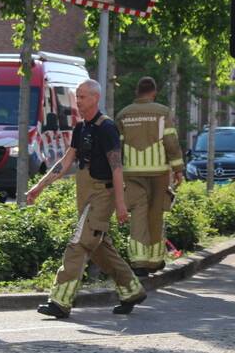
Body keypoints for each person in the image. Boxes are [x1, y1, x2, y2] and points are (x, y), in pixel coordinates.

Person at [27, 80, 146, 318]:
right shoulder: (81, 128)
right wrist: (39, 186)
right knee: (100, 249)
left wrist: (121, 204)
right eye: (77, 97)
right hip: (86, 194)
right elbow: (65, 162)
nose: (77, 101)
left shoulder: (107, 127)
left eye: (82, 97)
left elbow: (117, 167)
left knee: (79, 244)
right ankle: (132, 290)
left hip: (103, 195)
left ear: (95, 99)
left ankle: (60, 301)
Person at [116, 77, 185, 276]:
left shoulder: (123, 115)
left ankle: (138, 261)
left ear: (137, 92)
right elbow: (171, 142)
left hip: (132, 173)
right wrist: (178, 169)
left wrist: (116, 175)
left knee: (138, 215)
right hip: (158, 173)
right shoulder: (162, 113)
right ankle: (155, 261)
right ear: (153, 92)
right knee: (155, 215)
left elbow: (117, 148)